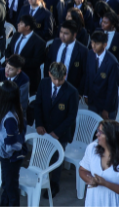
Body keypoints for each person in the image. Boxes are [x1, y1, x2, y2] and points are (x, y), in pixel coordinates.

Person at [32, 62, 80, 198]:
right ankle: (41, 178)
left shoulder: (72, 92)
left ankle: (54, 184)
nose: (57, 82)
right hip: (44, 129)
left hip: (61, 132)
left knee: (57, 158)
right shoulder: (43, 84)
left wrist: (57, 132)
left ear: (65, 76)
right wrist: (39, 124)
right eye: (55, 79)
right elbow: (38, 105)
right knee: (41, 154)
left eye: (61, 79)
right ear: (49, 74)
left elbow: (71, 116)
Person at [78, 120, 119, 207]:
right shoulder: (92, 149)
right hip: (96, 201)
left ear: (111, 137)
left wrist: (105, 183)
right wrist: (91, 180)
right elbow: (82, 169)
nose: (97, 135)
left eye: (101, 132)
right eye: (98, 131)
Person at [0, 80, 27, 207]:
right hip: (6, 157)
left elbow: (11, 141)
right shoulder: (6, 112)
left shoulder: (9, 118)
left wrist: (6, 153)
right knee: (6, 184)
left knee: (11, 187)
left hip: (10, 158)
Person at [6, 14, 46, 94]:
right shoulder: (16, 35)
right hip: (11, 74)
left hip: (27, 76)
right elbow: (9, 49)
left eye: (21, 23)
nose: (18, 24)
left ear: (27, 27)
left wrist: (18, 63)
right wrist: (8, 58)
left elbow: (37, 61)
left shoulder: (39, 42)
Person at [85, 31, 119, 119]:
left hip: (105, 103)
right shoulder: (90, 54)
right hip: (93, 100)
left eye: (97, 43)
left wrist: (106, 109)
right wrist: (86, 94)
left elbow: (112, 88)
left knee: (106, 131)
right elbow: (87, 75)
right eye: (92, 42)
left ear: (105, 45)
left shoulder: (112, 63)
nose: (93, 46)